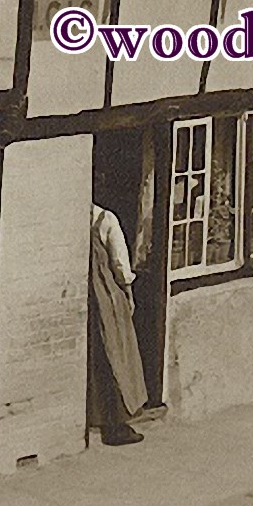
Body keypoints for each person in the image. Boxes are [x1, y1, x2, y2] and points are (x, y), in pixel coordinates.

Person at [88, 183, 149, 446]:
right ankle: (116, 424)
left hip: (88, 299)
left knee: (98, 360)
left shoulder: (77, 221)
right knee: (118, 356)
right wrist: (128, 293)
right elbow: (121, 265)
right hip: (108, 295)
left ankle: (97, 417)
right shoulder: (107, 220)